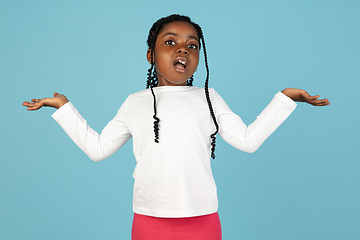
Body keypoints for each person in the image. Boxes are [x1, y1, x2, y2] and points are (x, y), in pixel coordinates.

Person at [22, 14, 329, 240]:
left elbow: (247, 140)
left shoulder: (209, 98)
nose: (183, 50)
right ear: (151, 55)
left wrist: (285, 100)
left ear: (198, 59)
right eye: (170, 42)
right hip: (148, 220)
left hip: (203, 220)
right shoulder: (135, 101)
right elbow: (98, 149)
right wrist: (64, 108)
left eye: (192, 46)